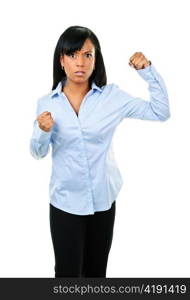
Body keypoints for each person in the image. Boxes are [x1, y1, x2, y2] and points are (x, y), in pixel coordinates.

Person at [30, 25, 170, 278]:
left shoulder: (112, 98)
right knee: (66, 275)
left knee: (96, 274)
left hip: (103, 202)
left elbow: (160, 112)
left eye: (87, 55)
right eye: (72, 55)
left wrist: (147, 71)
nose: (80, 63)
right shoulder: (47, 103)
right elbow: (37, 152)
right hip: (65, 204)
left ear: (96, 60)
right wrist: (42, 130)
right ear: (61, 60)